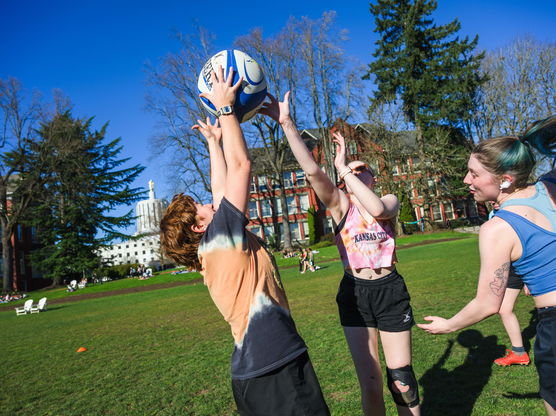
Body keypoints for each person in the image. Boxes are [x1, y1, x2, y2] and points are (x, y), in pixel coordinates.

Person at [159, 67, 329, 416]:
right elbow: (241, 166)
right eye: (200, 206)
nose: (208, 202)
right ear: (197, 227)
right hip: (275, 368)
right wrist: (225, 108)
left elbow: (222, 192)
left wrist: (213, 142)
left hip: (253, 376)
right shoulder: (219, 236)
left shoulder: (214, 249)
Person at [260, 92, 420, 416]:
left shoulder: (388, 199)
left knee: (402, 380)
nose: (357, 173)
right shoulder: (340, 206)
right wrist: (287, 124)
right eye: (352, 172)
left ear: (373, 178)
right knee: (372, 383)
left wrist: (344, 167)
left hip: (390, 290)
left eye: (363, 171)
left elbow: (375, 207)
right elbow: (312, 173)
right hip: (355, 293)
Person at [417, 116, 556, 415]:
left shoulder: (498, 228)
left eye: (473, 173)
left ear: (505, 178)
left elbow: (487, 303)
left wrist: (449, 325)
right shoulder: (550, 187)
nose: (466, 180)